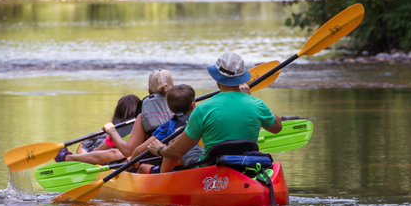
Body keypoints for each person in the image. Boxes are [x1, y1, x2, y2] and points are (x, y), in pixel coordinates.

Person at [147, 51, 282, 173]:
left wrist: (160, 149)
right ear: (241, 78)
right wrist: (249, 98)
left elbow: (176, 151)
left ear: (217, 77)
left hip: (211, 170)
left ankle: (162, 178)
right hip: (245, 167)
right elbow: (277, 127)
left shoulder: (202, 109)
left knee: (176, 138)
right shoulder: (257, 105)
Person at [131, 84, 204, 174]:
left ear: (170, 108)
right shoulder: (202, 120)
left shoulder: (170, 125)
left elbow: (139, 150)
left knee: (142, 167)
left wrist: (132, 160)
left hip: (174, 171)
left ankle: (161, 177)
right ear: (193, 105)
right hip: (201, 162)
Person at [103, 69, 173, 158]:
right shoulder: (184, 108)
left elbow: (128, 152)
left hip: (153, 163)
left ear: (149, 91)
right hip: (179, 159)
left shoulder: (143, 116)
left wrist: (112, 131)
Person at [54, 94, 140, 165]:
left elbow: (95, 153)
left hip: (130, 162)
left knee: (115, 153)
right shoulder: (143, 127)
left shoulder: (117, 132)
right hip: (128, 162)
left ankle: (68, 158)